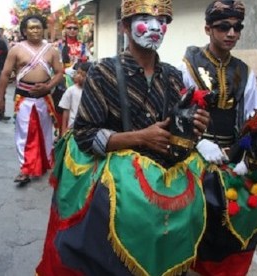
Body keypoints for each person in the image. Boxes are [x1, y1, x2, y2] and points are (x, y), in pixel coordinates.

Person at [36, 0, 211, 275]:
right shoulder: (103, 72)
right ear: (124, 27)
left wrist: (195, 127)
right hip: (118, 190)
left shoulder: (175, 77)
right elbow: (84, 135)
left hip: (165, 187)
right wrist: (140, 138)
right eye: (144, 18)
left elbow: (178, 136)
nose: (155, 26)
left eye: (161, 20)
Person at [177, 1, 257, 275]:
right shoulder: (188, 65)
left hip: (233, 154)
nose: (231, 34)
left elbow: (255, 118)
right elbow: (178, 114)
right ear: (207, 29)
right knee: (190, 212)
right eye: (223, 27)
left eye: (237, 28)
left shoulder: (245, 72)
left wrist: (246, 152)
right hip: (193, 151)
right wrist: (197, 142)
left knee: (247, 206)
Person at [0, 14, 63, 186]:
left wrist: (48, 87)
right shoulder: (16, 50)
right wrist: (0, 99)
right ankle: (25, 169)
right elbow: (4, 74)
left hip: (45, 97)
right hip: (23, 98)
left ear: (43, 29)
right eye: (31, 28)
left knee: (46, 132)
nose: (35, 31)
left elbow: (59, 73)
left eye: (38, 27)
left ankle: (44, 162)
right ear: (24, 31)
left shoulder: (52, 50)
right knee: (24, 134)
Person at [58, 61, 91, 135]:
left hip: (88, 130)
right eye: (78, 73)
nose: (79, 76)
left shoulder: (92, 92)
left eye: (83, 75)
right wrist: (63, 131)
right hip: (72, 129)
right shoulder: (71, 90)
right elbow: (66, 112)